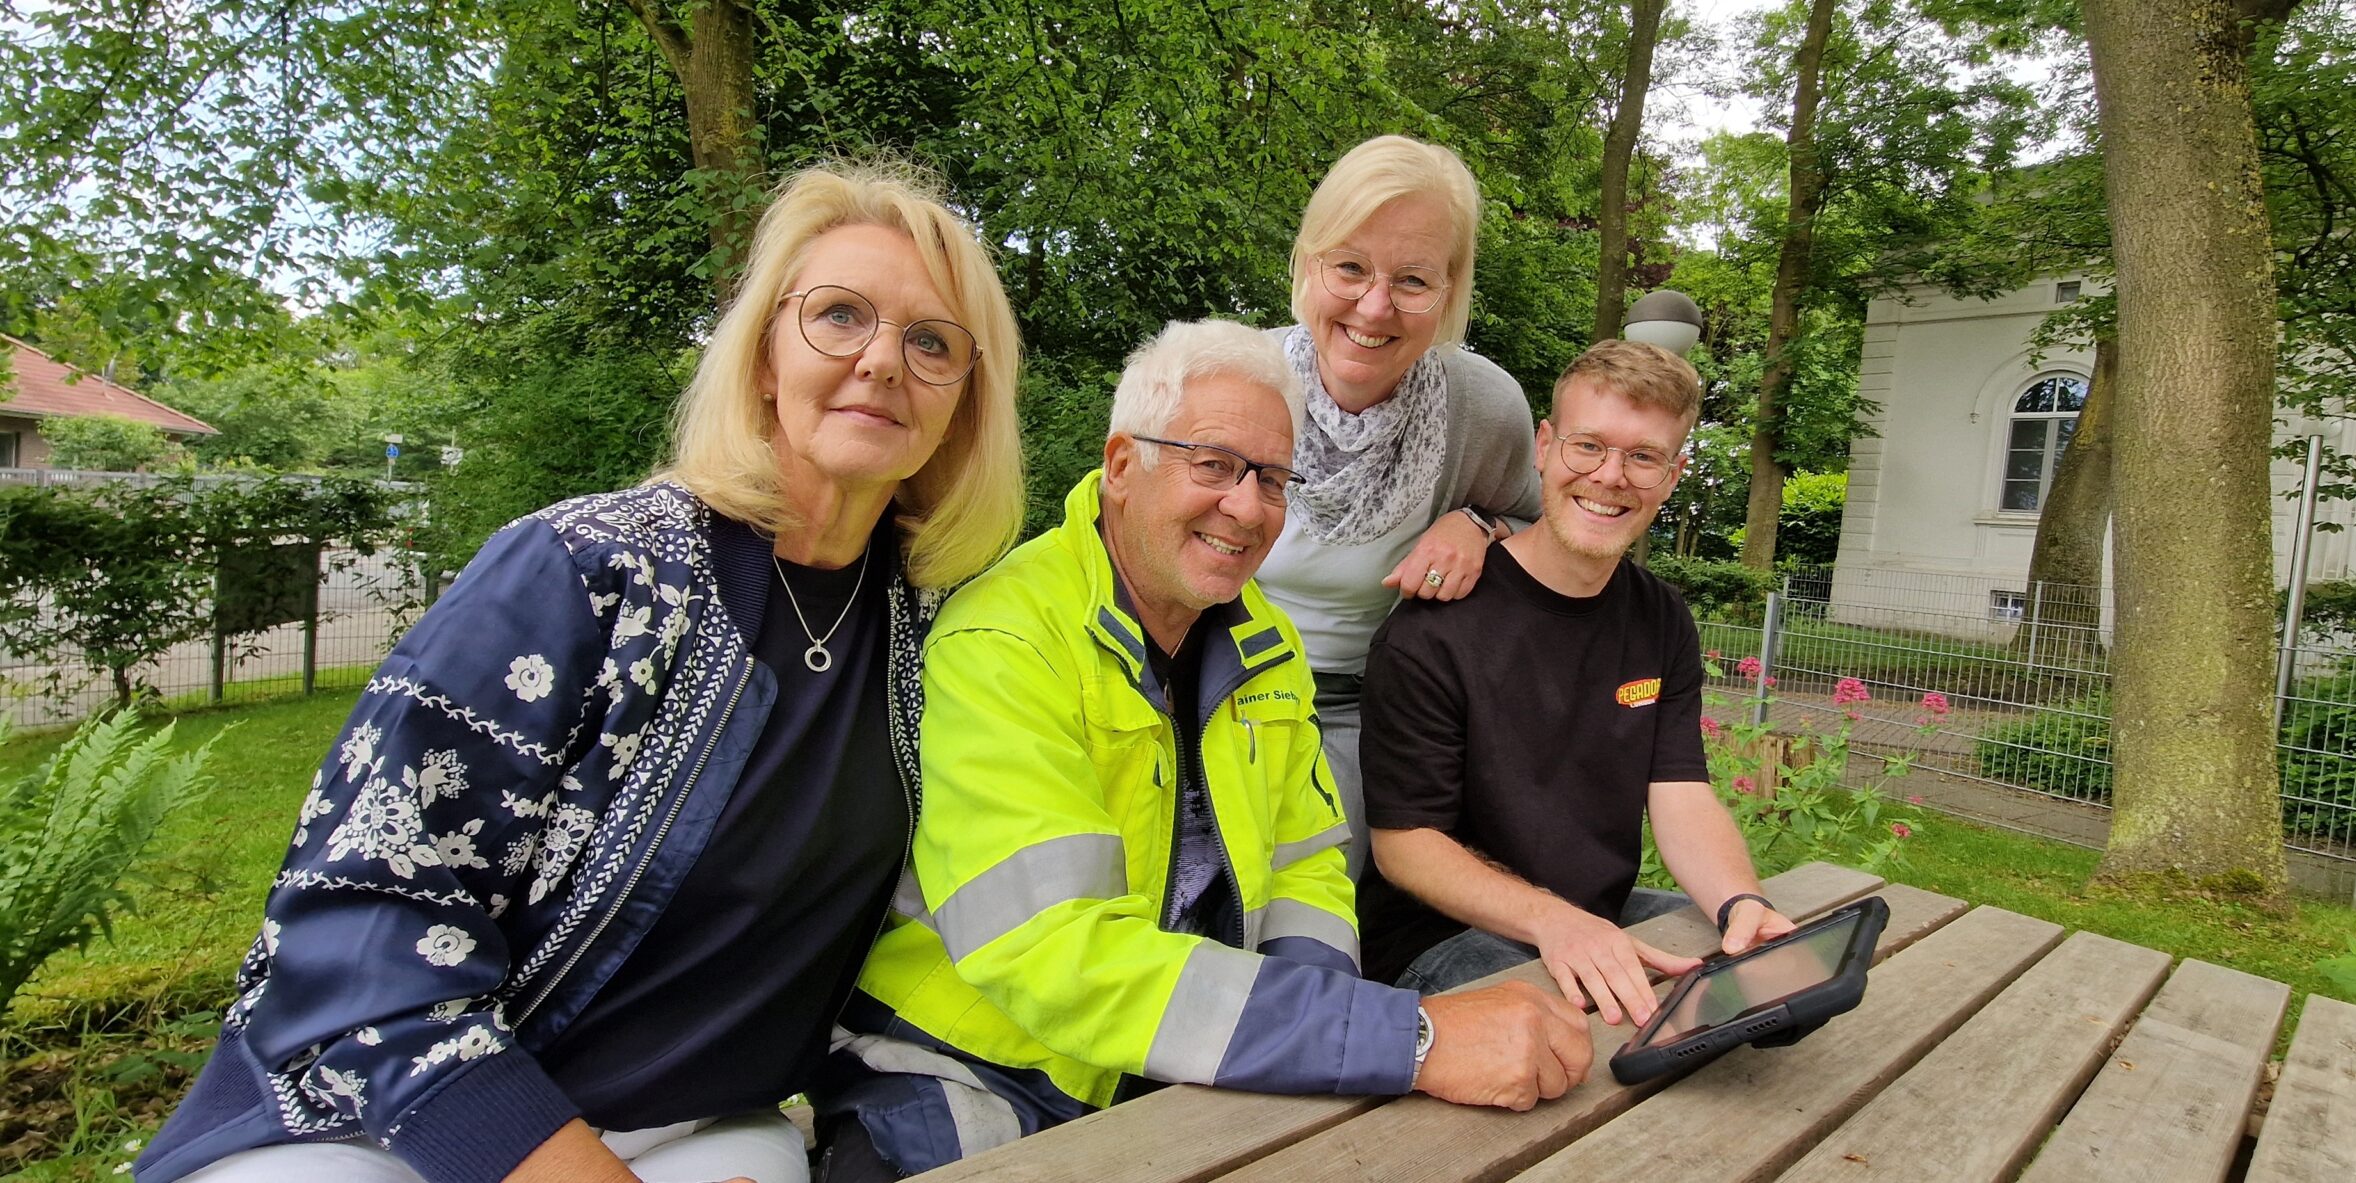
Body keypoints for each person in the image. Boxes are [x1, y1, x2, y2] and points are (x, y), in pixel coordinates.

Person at [136, 160, 1026, 1183]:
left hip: (702, 1131)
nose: (881, 362)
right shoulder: (584, 571)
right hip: (393, 1122)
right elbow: (357, 932)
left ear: (964, 402)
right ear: (764, 360)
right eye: (838, 315)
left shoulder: (941, 632)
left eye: (931, 343)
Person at [823, 320, 1592, 1178]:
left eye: (1271, 477)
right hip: (965, 1071)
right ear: (1121, 466)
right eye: (1214, 465)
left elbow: (1308, 871)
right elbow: (1054, 954)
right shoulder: (1008, 635)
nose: (1248, 506)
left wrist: (1322, 1033)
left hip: (1173, 1066)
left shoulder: (1270, 642)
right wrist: (1404, 1039)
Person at [1357, 340, 1796, 1027]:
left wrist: (1741, 903)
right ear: (1544, 446)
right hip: (1439, 943)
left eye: (1643, 457)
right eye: (1588, 446)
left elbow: (1681, 793)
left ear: (1673, 475)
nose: (1610, 476)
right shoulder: (1431, 632)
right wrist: (1555, 921)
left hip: (1593, 915)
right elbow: (1404, 844)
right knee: (1610, 1027)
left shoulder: (1660, 617)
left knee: (1765, 979)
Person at [1255, 135, 1544, 878]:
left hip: (1365, 716)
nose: (1374, 306)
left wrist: (1480, 524)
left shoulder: (1483, 408)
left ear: (1451, 291)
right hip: (1202, 688)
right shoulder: (1235, 383)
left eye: (1413, 280)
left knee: (1309, 893)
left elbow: (1551, 533)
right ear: (1308, 264)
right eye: (1350, 266)